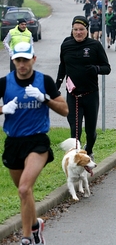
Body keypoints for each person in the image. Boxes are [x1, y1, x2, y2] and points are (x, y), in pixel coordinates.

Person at [0, 41, 68, 245]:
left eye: (26, 60)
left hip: (37, 142)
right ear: (13, 60)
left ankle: (27, 238)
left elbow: (64, 110)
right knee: (25, 192)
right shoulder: (4, 83)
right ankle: (36, 226)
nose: (22, 64)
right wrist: (4, 110)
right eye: (18, 60)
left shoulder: (44, 81)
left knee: (23, 189)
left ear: (33, 59)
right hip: (13, 142)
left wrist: (44, 98)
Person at [56, 16, 111, 161]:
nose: (78, 32)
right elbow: (63, 66)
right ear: (72, 30)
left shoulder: (95, 45)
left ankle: (89, 150)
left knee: (90, 131)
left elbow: (107, 68)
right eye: (75, 30)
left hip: (90, 95)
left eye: (81, 29)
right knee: (75, 130)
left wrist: (96, 68)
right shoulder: (66, 45)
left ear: (87, 30)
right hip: (73, 96)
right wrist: (57, 84)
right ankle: (76, 159)